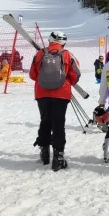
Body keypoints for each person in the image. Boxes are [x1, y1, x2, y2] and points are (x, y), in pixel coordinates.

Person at [29, 31, 81, 171]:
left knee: (45, 120)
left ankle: (44, 152)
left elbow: (32, 74)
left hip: (42, 93)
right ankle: (58, 157)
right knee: (58, 123)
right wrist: (66, 81)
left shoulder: (40, 53)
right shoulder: (67, 54)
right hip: (61, 94)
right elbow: (76, 75)